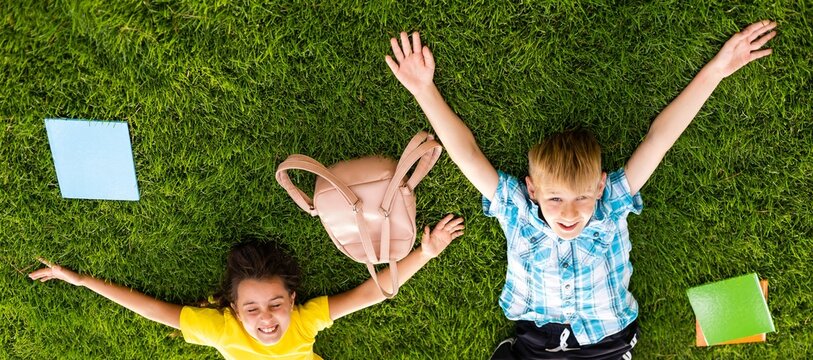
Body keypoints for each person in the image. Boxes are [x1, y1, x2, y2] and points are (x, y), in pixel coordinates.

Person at [385, 20, 776, 359]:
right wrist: (423, 89)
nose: (569, 214)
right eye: (555, 198)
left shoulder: (612, 203)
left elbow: (660, 138)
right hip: (537, 344)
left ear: (600, 186)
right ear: (533, 190)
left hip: (604, 342)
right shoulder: (516, 210)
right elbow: (467, 155)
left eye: (582, 198)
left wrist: (719, 68)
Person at [28, 214, 464, 360]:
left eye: (275, 304)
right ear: (234, 311)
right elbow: (150, 309)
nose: (267, 318)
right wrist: (81, 280)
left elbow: (369, 293)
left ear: (292, 300)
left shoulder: (303, 321)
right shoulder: (222, 330)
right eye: (252, 309)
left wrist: (424, 253)